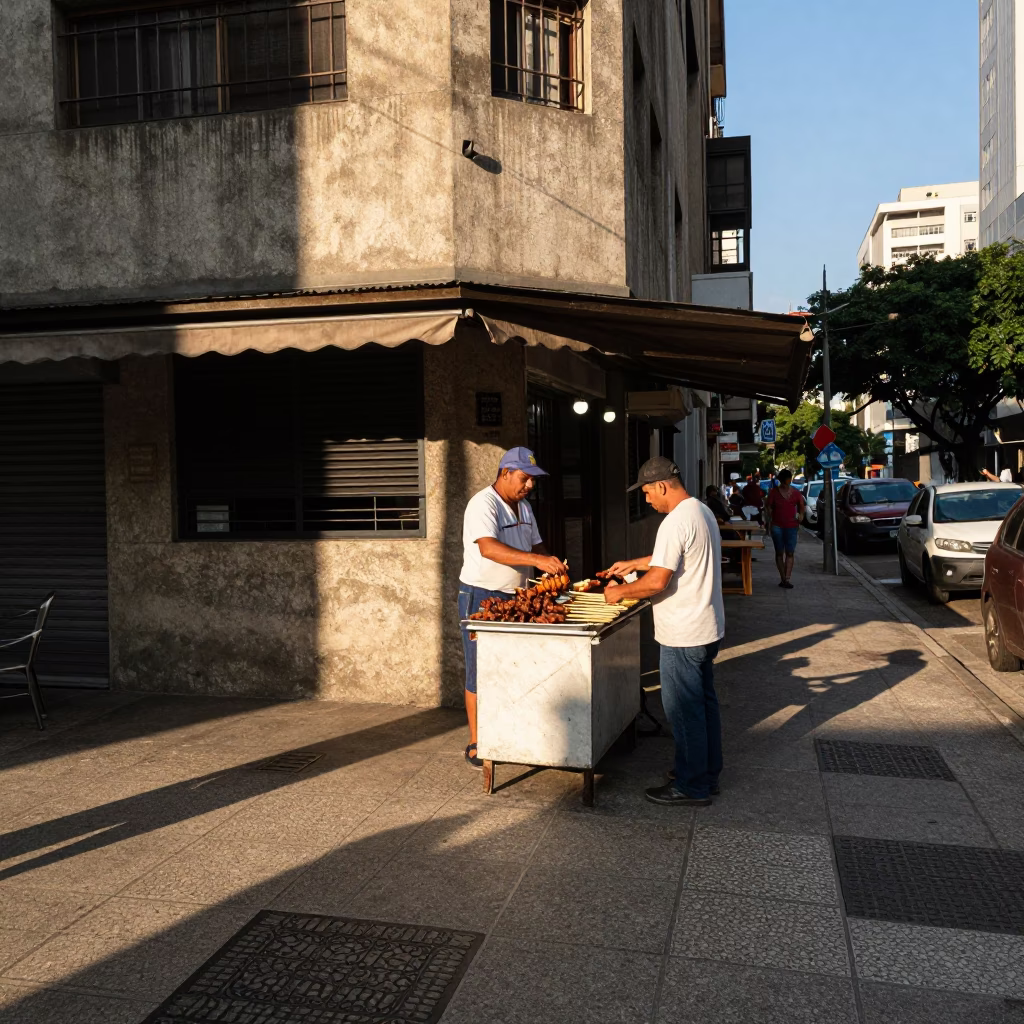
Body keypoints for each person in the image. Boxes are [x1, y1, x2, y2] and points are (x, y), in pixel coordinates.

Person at [602, 457, 725, 807]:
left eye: (645, 493)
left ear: (661, 485)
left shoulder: (674, 521)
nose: (646, 500)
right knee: (703, 705)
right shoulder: (700, 511)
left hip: (683, 633)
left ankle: (691, 785)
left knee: (684, 710)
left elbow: (658, 580)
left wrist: (619, 592)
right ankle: (707, 773)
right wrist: (634, 564)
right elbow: (675, 558)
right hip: (707, 626)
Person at [459, 447, 565, 769]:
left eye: (533, 480)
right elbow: (489, 549)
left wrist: (551, 567)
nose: (529, 485)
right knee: (479, 670)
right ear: (505, 473)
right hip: (481, 595)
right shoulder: (483, 504)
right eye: (524, 478)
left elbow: (536, 546)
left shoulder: (525, 507)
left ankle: (509, 729)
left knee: (513, 668)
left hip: (518, 596)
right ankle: (477, 742)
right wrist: (537, 561)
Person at [763, 468, 806, 589]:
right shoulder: (774, 492)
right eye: (786, 479)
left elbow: (801, 505)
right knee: (779, 552)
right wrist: (770, 518)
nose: (787, 481)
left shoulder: (796, 492)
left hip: (792, 526)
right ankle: (783, 578)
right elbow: (768, 506)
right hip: (777, 526)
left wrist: (801, 515)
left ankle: (787, 578)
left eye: (788, 479)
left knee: (790, 552)